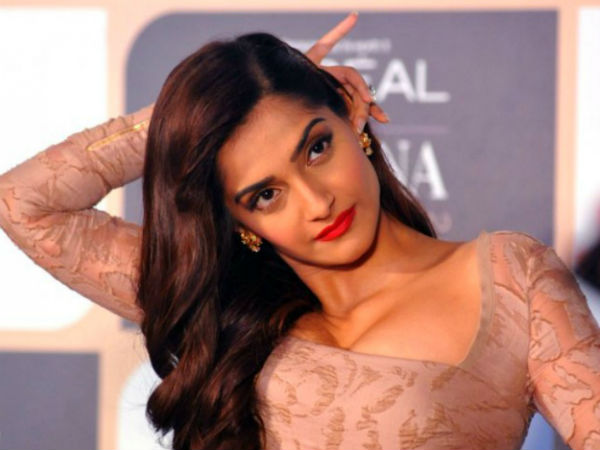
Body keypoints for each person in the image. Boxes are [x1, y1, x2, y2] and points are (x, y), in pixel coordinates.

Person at [0, 13, 598, 450]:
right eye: (266, 194)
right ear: (240, 222)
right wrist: (191, 116)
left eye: (315, 149)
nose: (317, 202)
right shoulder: (224, 308)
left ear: (352, 116)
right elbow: (24, 203)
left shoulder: (507, 279)